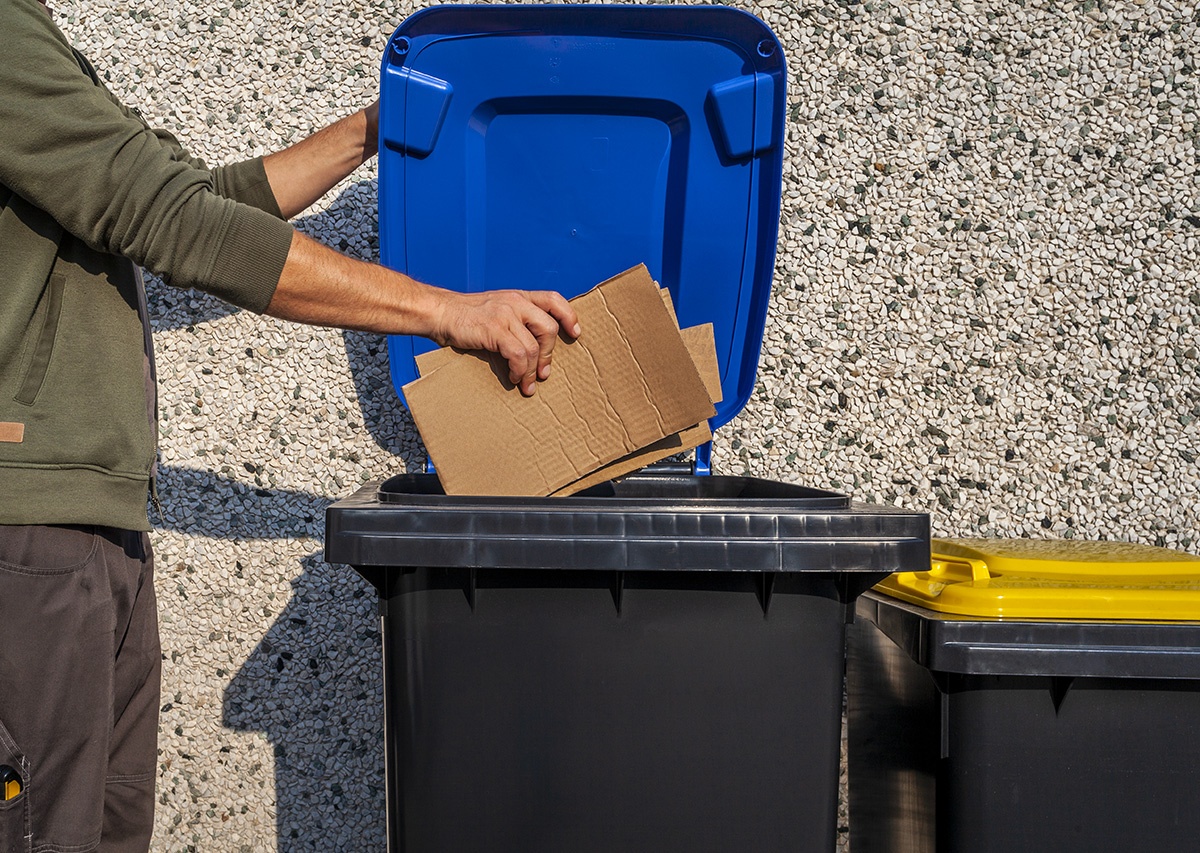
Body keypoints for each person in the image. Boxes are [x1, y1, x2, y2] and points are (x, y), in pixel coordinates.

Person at [0, 1, 581, 850]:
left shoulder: (30, 34)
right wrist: (449, 313)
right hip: (28, 534)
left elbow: (204, 198)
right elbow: (175, 220)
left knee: (99, 829)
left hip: (88, 532)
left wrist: (374, 130)